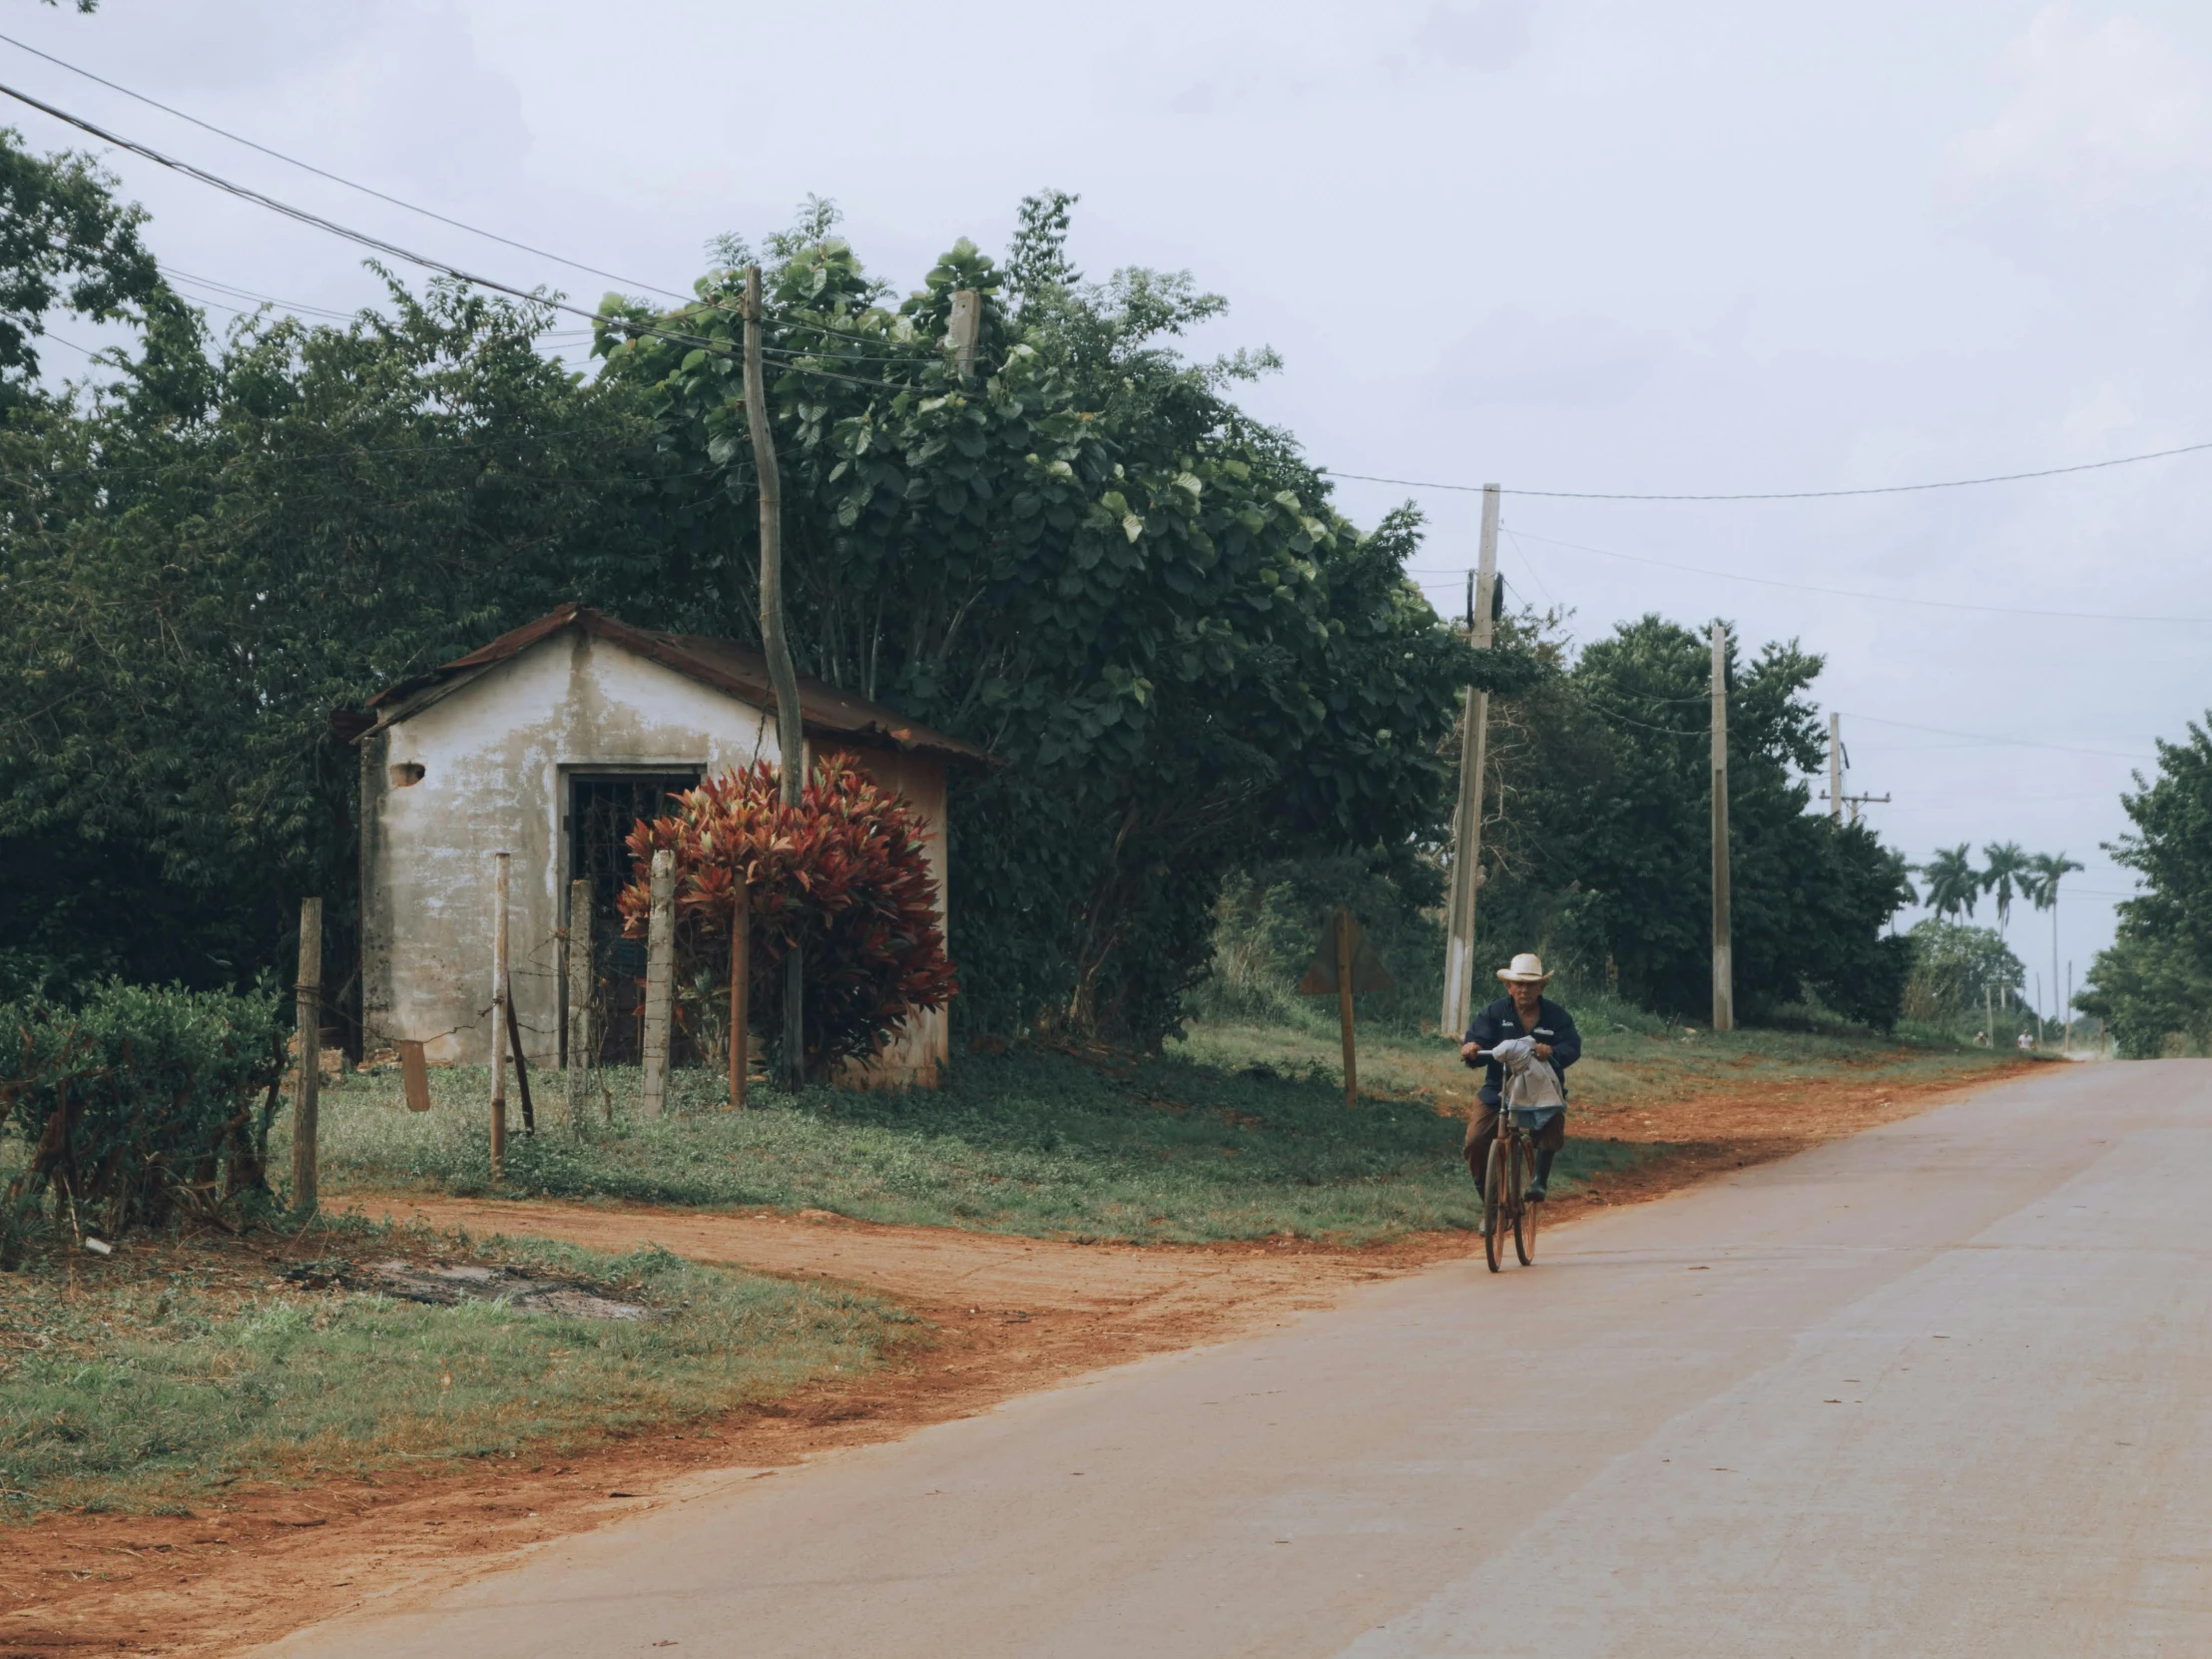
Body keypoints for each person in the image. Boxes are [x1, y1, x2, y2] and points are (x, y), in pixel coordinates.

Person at [1460, 952, 1582, 1205]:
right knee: (1475, 1142)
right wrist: (1472, 1048)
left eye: (1530, 984)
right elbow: (1477, 1042)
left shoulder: (1557, 1017)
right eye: (1519, 984)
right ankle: (1491, 1204)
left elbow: (1572, 1047)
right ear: (1509, 986)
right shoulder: (1494, 1013)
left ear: (1542, 987)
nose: (1524, 989)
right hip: (1498, 1088)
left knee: (1551, 1117)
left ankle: (1539, 1180)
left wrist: (1553, 1052)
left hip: (1541, 1087)